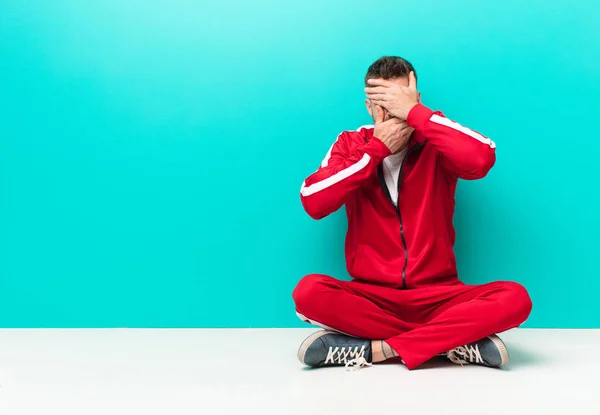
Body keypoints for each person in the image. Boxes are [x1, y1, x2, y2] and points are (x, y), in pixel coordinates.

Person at [293, 56, 532, 371]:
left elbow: (481, 157)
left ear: (415, 99)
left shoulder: (437, 139)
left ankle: (377, 350)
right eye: (384, 106)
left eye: (401, 102)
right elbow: (314, 201)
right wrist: (375, 151)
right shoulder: (352, 144)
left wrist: (418, 115)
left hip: (440, 297)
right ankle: (452, 343)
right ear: (369, 107)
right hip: (372, 298)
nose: (395, 115)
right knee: (309, 293)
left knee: (515, 299)